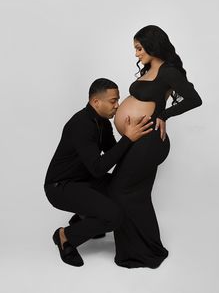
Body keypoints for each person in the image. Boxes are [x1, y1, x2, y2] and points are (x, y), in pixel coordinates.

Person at [107, 25, 203, 269]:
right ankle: (144, 251)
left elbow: (194, 99)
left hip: (150, 141)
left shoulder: (169, 72)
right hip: (136, 138)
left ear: (152, 45)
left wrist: (164, 114)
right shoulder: (150, 68)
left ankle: (142, 252)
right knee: (134, 193)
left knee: (122, 190)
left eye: (139, 48)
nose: (136, 54)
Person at [43, 78, 155, 266]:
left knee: (121, 189)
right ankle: (65, 236)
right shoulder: (81, 124)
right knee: (114, 216)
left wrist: (134, 138)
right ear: (96, 102)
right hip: (60, 187)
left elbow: (113, 153)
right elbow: (98, 168)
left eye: (118, 100)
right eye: (113, 101)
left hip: (84, 180)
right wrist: (127, 138)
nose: (117, 106)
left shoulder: (103, 123)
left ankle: (84, 217)